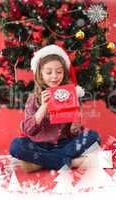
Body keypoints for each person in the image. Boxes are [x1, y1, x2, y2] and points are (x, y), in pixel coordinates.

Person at [9, 44, 101, 173]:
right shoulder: (33, 98)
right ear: (40, 74)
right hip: (39, 145)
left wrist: (75, 125)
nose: (54, 76)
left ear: (64, 72)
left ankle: (41, 163)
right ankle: (72, 162)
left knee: (93, 136)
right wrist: (43, 107)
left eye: (59, 72)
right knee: (16, 146)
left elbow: (73, 133)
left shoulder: (70, 94)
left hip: (64, 144)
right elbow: (29, 130)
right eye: (48, 72)